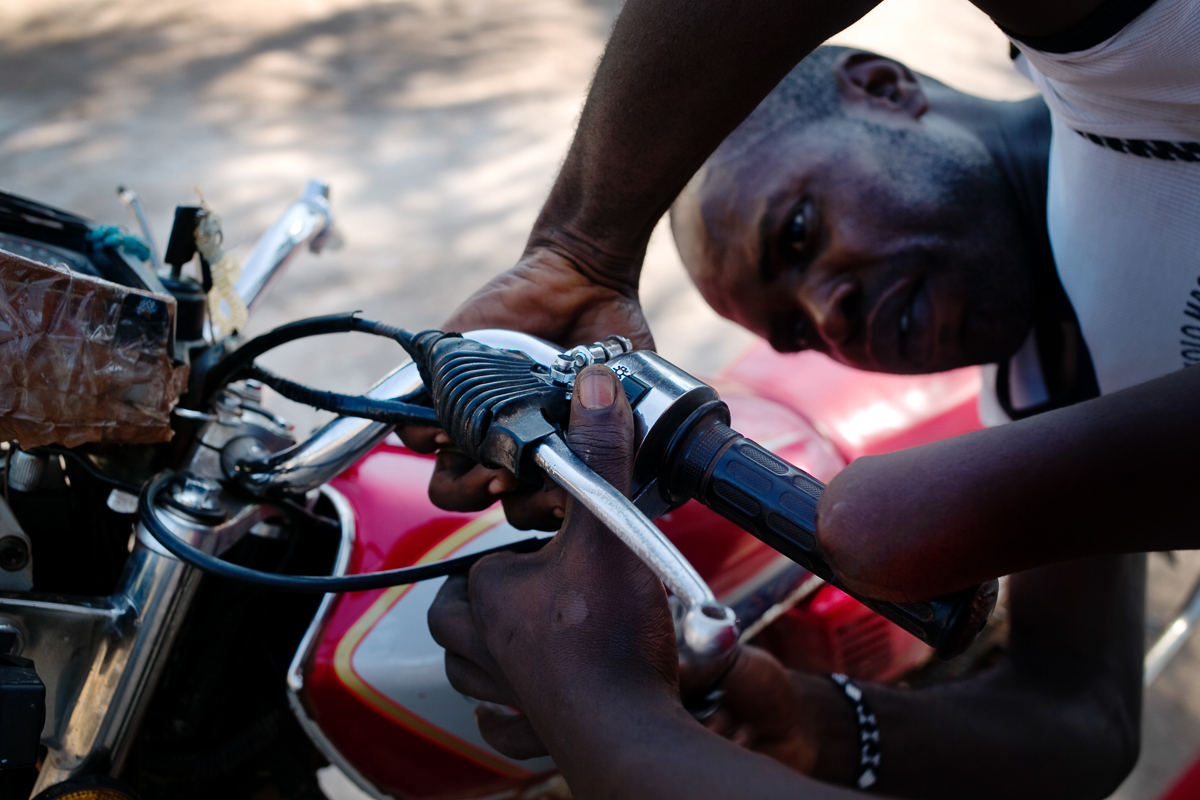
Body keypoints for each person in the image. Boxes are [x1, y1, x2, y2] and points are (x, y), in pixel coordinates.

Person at [427, 48, 1145, 799]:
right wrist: (813, 726)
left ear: (880, 88)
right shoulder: (1053, 402)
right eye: (797, 334)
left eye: (798, 233)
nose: (829, 316)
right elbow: (1087, 712)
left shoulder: (1133, 66)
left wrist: (581, 245)